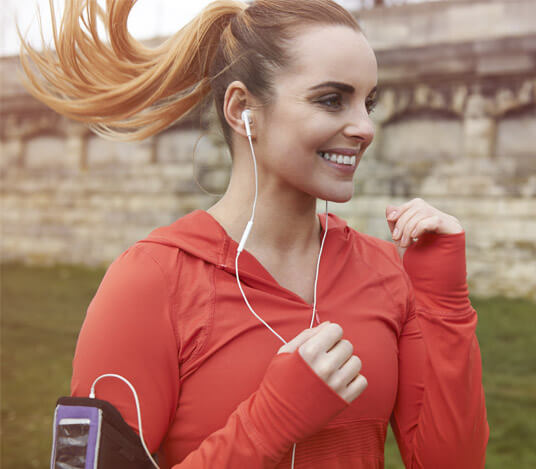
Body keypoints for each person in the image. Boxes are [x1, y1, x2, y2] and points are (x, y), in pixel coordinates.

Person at [19, 0, 489, 467]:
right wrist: (272, 420)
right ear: (243, 109)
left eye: (368, 103)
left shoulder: (386, 272)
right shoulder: (152, 279)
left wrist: (443, 301)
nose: (365, 128)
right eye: (331, 99)